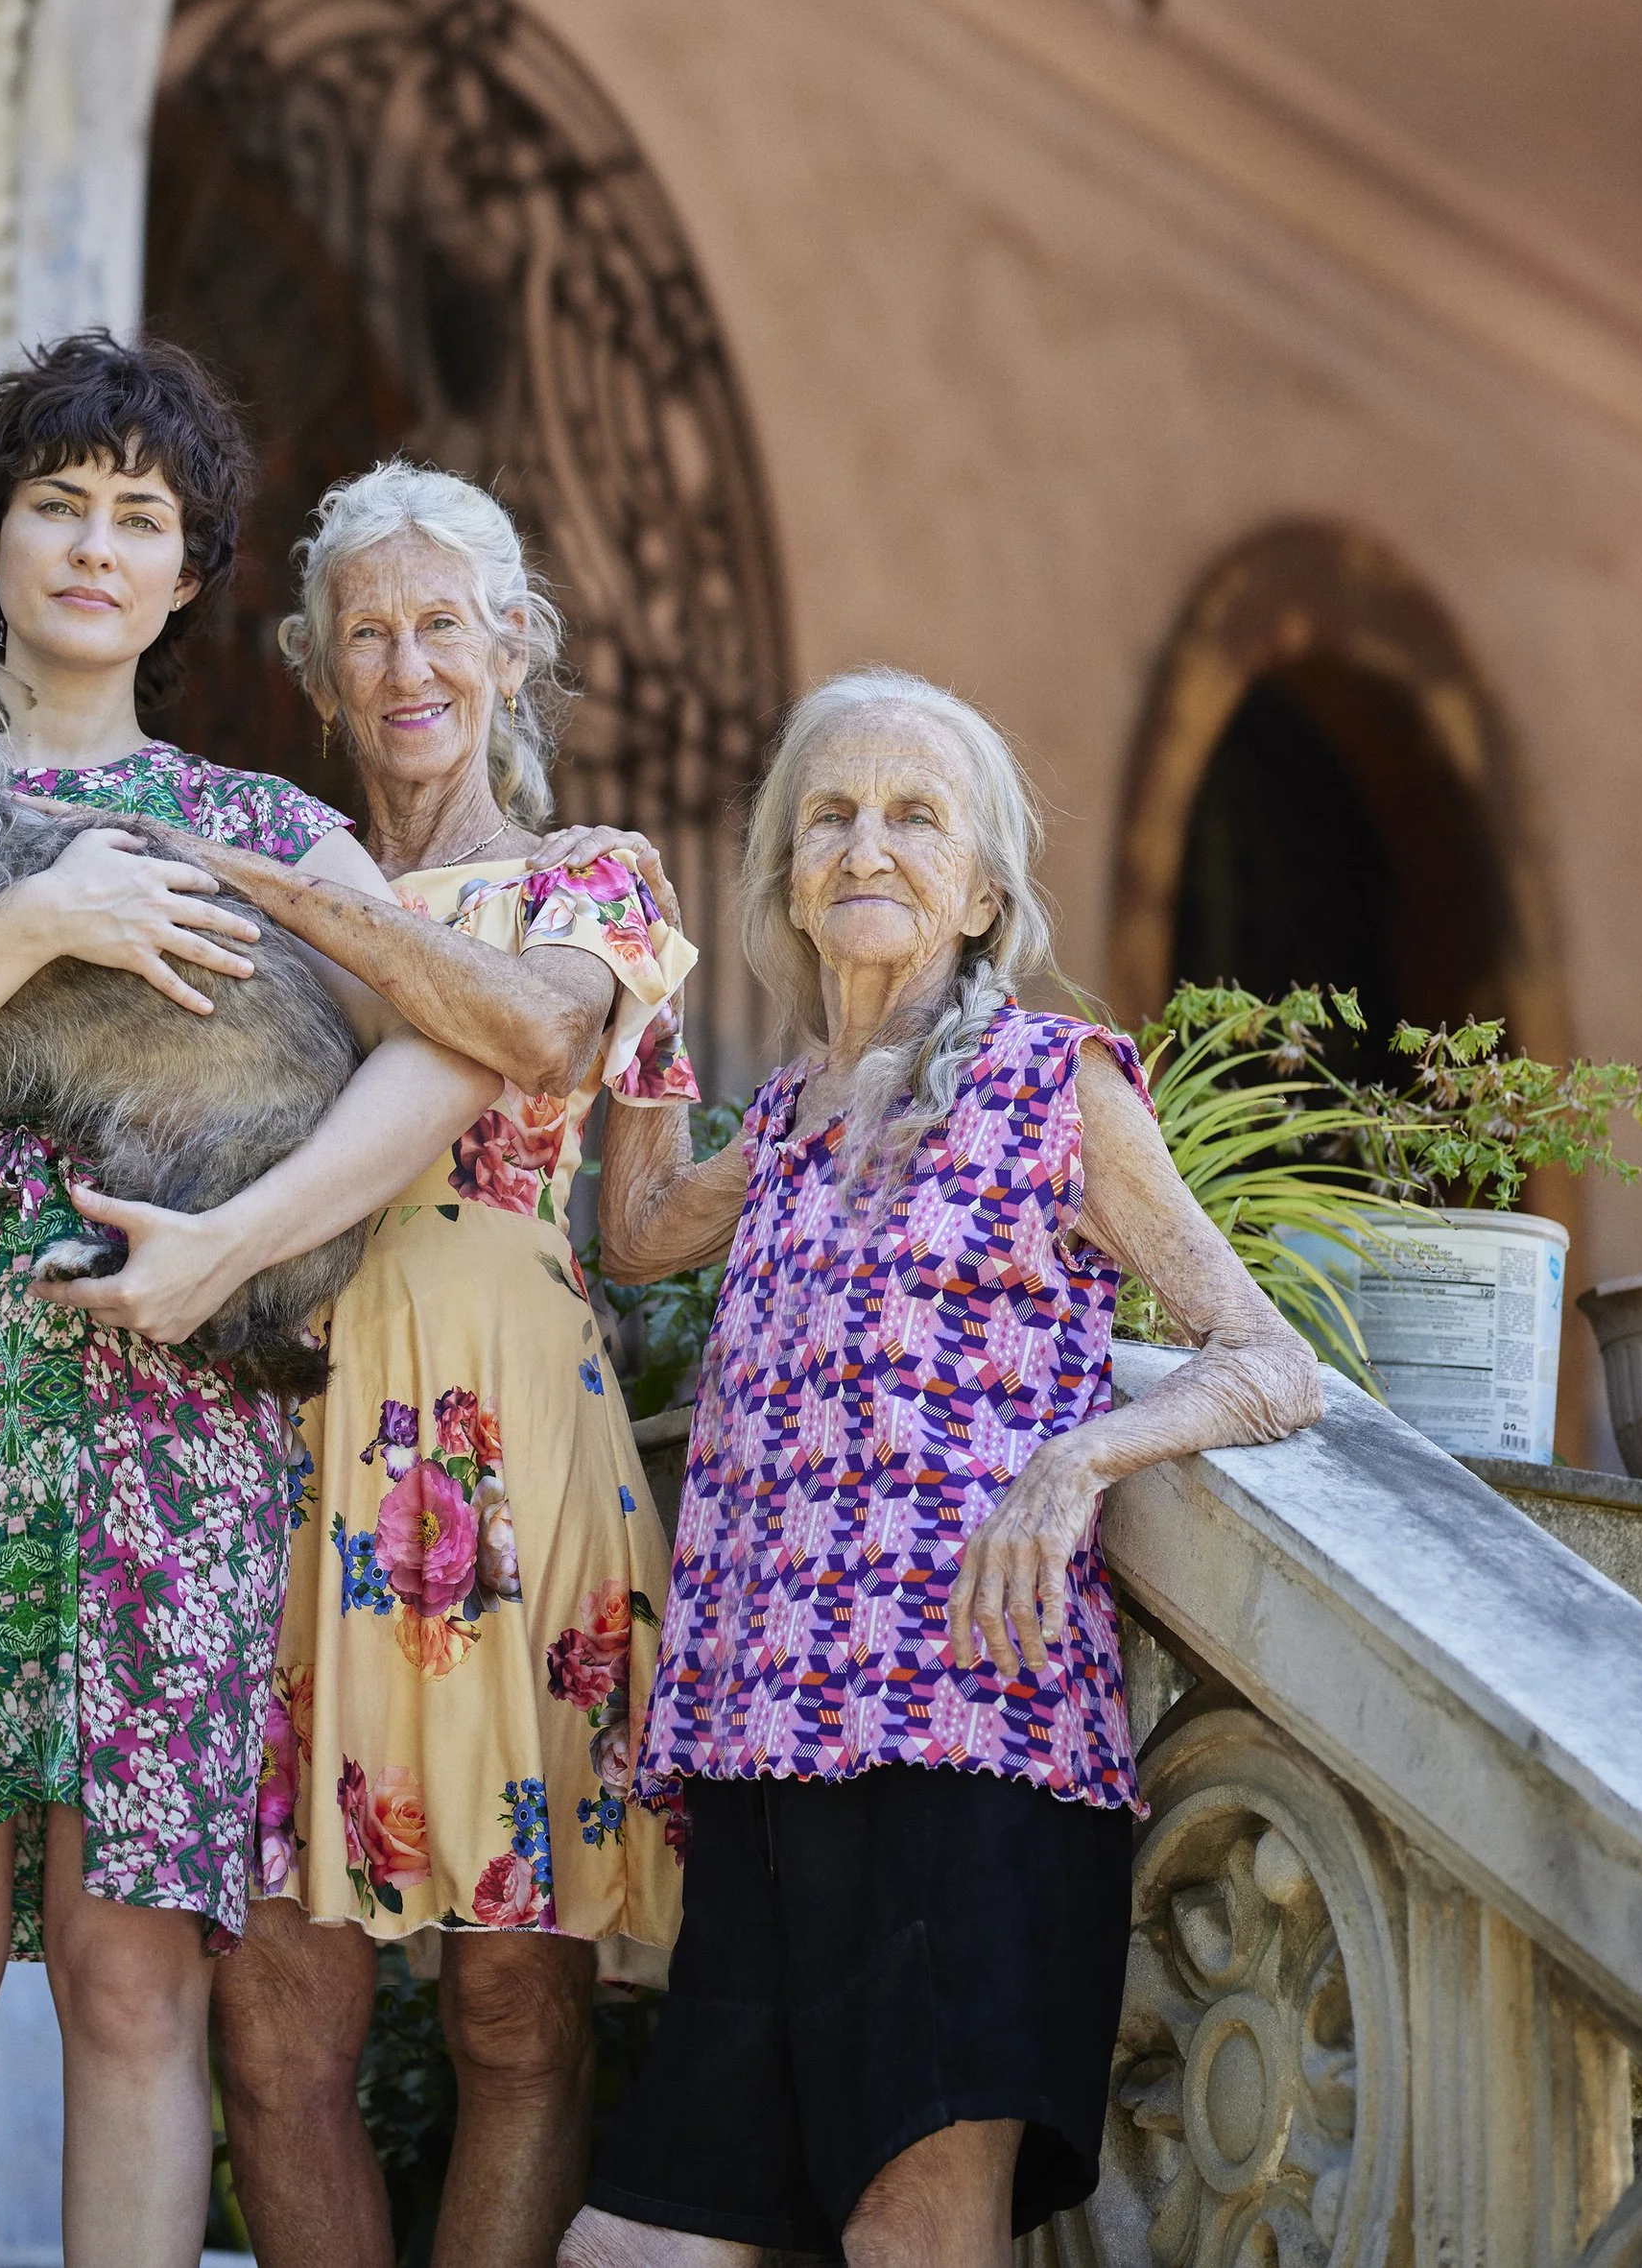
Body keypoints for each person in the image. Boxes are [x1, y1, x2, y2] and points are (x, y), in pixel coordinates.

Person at [0, 335, 499, 2268]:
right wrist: (31, 918)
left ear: (185, 576)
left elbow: (456, 1045)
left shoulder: (263, 826)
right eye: (56, 502)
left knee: (127, 1977)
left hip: (168, 1402)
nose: (93, 543)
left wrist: (238, 1246)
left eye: (138, 516)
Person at [563, 667, 1324, 2268]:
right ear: (784, 876)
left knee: (917, 2233)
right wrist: (631, 983)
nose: (867, 845)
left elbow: (1268, 1359)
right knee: (635, 2247)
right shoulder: (781, 1122)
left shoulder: (1058, 1083)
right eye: (829, 815)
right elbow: (632, 1238)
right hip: (770, 1764)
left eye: (917, 817)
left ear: (985, 891)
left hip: (967, 1752)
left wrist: (1078, 1464)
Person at [200, 463, 702, 2268]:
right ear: (322, 679)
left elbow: (596, 1135)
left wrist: (873, 1145)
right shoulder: (272, 900)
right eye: (365, 634)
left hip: (516, 1441)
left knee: (514, 2014)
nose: (405, 664)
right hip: (280, 1435)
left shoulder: (590, 883)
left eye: (440, 624)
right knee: (274, 2024)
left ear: (511, 650)